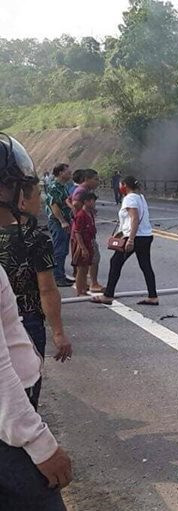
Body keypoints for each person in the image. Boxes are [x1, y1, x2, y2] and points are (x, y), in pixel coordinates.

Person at [0, 133, 73, 509]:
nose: (25, 194)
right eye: (17, 185)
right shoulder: (35, 237)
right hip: (8, 433)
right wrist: (39, 444)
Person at [91, 176, 158, 306]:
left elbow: (134, 219)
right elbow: (129, 221)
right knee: (146, 266)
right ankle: (153, 296)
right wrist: (119, 234)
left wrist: (130, 240)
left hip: (135, 237)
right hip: (145, 236)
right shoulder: (140, 197)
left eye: (121, 185)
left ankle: (108, 295)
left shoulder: (129, 198)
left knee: (115, 262)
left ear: (125, 185)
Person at [69, 169, 103, 293]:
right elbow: (74, 204)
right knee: (83, 264)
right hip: (82, 236)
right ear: (87, 179)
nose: (97, 182)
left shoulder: (85, 192)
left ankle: (84, 286)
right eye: (95, 179)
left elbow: (68, 200)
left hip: (87, 236)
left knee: (86, 263)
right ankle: (85, 287)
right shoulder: (81, 193)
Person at [43, 163, 73, 288]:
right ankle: (57, 277)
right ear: (60, 173)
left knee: (64, 249)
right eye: (67, 171)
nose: (70, 173)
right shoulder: (54, 186)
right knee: (59, 250)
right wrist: (62, 221)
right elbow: (54, 206)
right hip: (57, 222)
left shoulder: (63, 186)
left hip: (64, 220)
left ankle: (61, 274)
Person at [70, 192, 98, 297]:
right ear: (86, 202)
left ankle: (83, 289)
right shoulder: (81, 215)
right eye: (92, 201)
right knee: (81, 269)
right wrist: (82, 248)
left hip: (89, 242)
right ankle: (79, 291)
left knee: (86, 268)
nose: (94, 203)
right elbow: (77, 232)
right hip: (82, 244)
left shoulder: (90, 213)